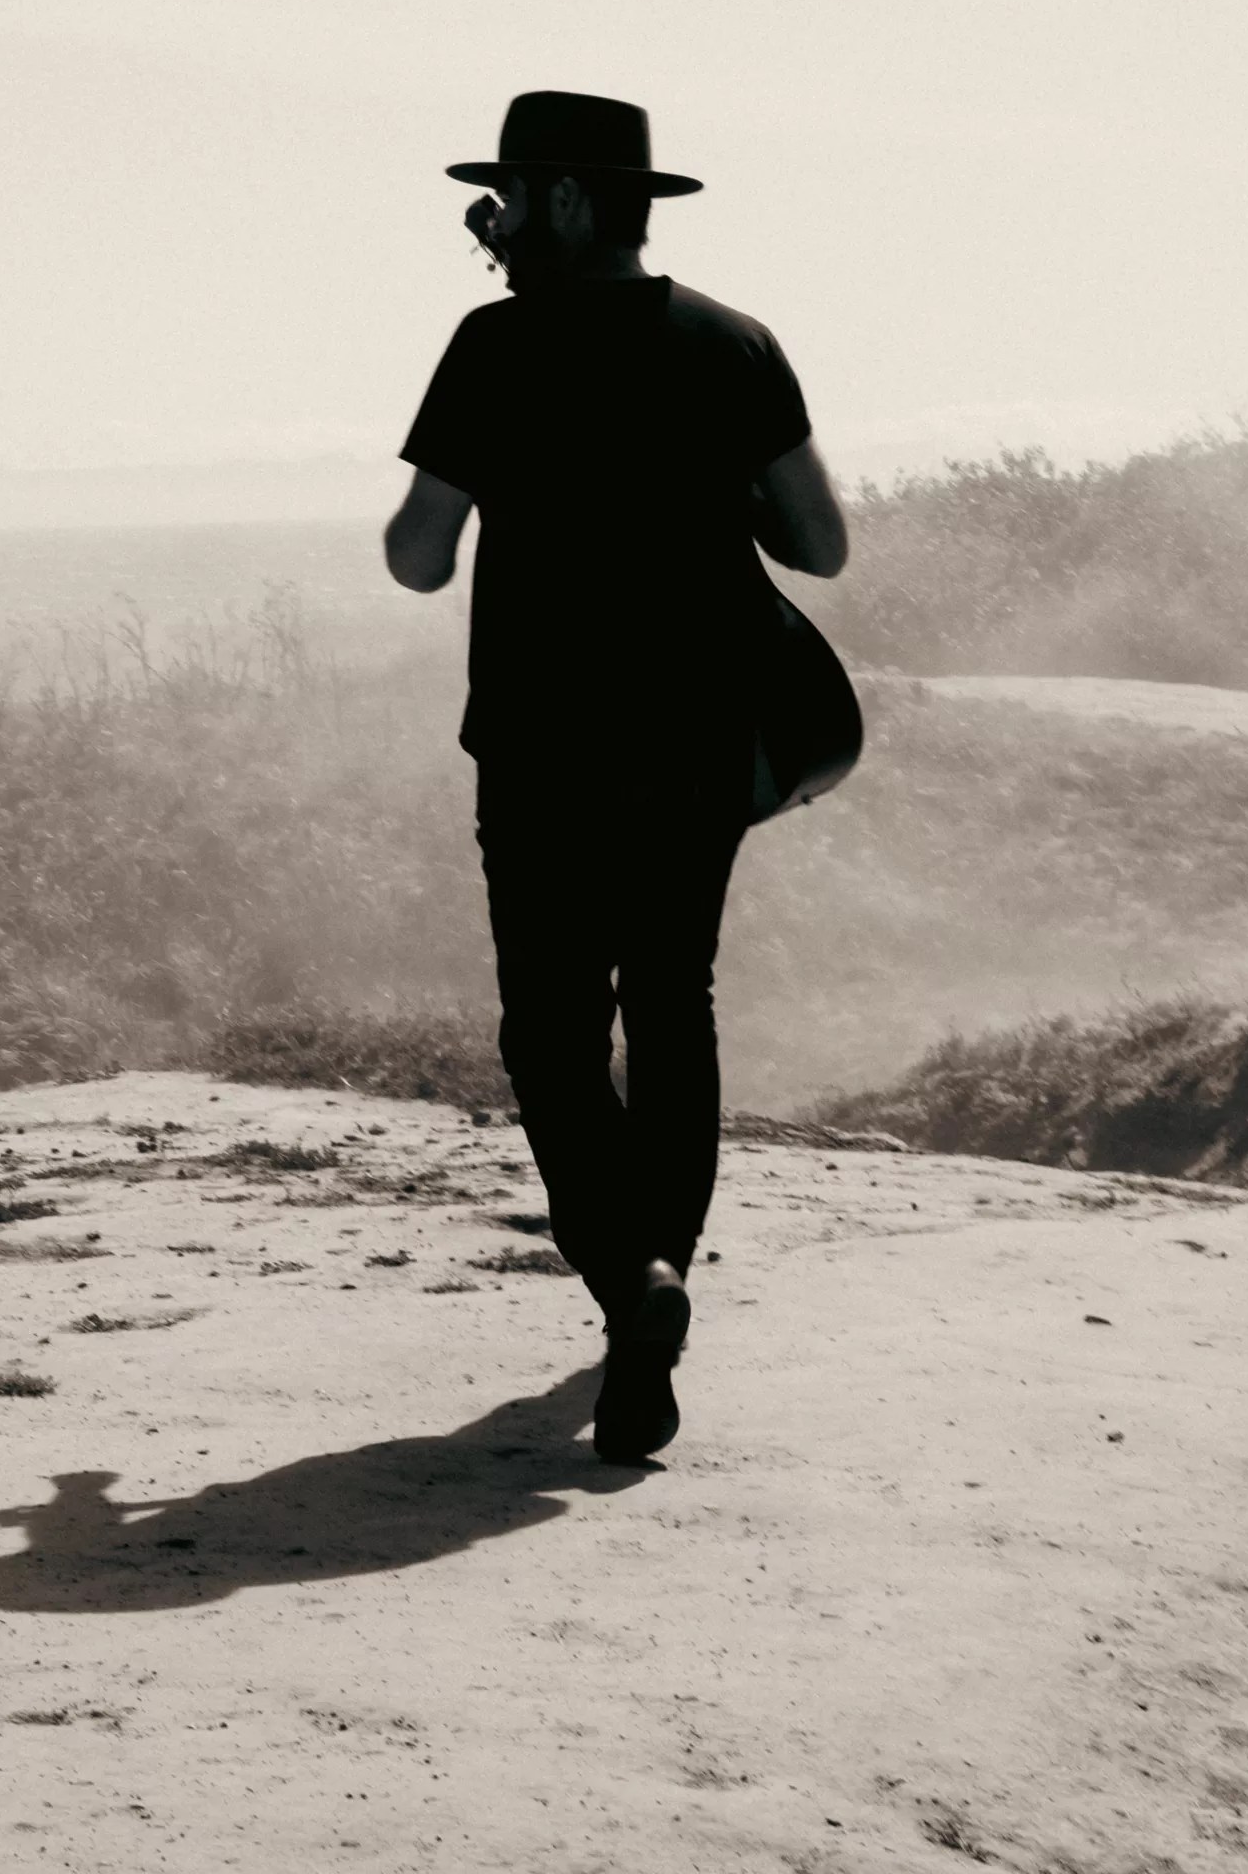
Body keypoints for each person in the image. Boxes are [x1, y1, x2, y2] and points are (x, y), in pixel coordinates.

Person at [382, 90, 848, 1465]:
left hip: (541, 750)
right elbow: (818, 545)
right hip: (700, 743)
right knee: (674, 1005)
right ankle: (663, 1277)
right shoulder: (733, 343)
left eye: (514, 198)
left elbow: (418, 555)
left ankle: (628, 1285)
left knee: (551, 1034)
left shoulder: (493, 347)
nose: (498, 222)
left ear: (571, 200)